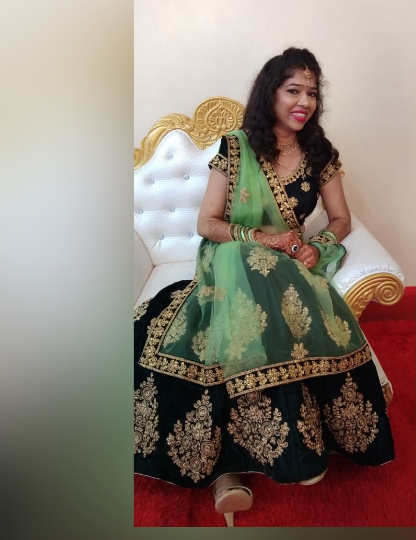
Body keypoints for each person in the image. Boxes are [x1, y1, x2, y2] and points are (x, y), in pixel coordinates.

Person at [134, 47, 394, 527]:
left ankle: (256, 459)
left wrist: (318, 245)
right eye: (293, 90)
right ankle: (252, 462)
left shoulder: (320, 154)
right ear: (270, 93)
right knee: (246, 265)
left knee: (272, 292)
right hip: (233, 255)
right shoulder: (236, 149)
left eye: (312, 93)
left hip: (290, 263)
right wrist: (263, 239)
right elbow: (208, 223)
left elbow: (341, 219)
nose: (305, 102)